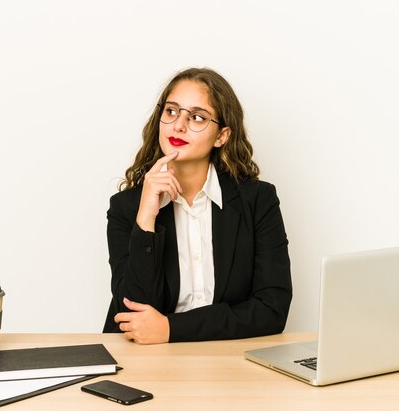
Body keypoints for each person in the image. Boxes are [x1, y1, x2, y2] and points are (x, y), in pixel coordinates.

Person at [103, 67, 292, 344]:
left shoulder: (258, 201)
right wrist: (146, 221)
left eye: (197, 117)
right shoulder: (127, 207)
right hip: (143, 363)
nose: (178, 126)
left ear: (221, 136)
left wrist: (171, 328)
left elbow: (271, 309)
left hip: (229, 361)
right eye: (171, 112)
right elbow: (132, 315)